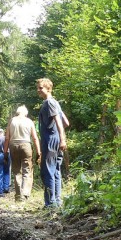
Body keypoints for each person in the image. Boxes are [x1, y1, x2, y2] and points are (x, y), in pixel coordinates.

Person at [36, 78, 67, 207]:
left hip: (50, 140)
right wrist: (61, 138)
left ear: (48, 88)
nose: (38, 91)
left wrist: (62, 138)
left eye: (40, 88)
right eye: (37, 88)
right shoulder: (56, 103)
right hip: (56, 140)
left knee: (47, 171)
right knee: (55, 171)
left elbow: (59, 122)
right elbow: (66, 122)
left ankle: (50, 203)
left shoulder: (48, 103)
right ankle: (57, 201)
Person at [3, 105, 41, 201]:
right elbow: (35, 138)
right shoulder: (29, 121)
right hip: (26, 145)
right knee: (27, 170)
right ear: (26, 113)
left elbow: (7, 138)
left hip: (13, 146)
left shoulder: (12, 121)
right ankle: (25, 193)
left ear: (17, 112)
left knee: (16, 171)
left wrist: (5, 152)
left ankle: (19, 195)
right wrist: (39, 152)